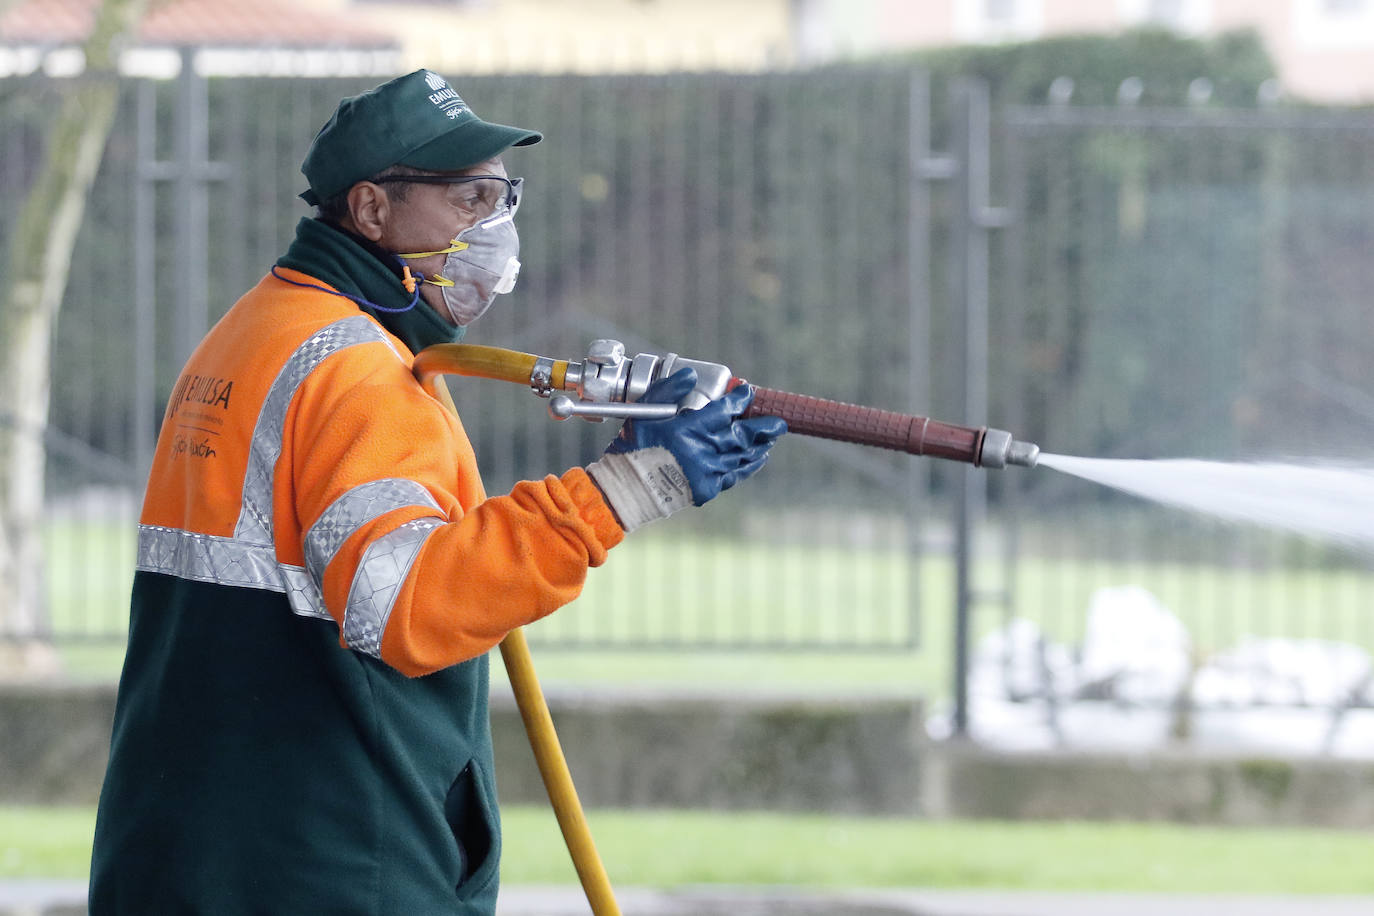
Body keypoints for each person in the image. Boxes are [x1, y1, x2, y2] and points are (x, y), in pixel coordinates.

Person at [88, 69, 786, 916]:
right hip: (328, 862)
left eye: (504, 198)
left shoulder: (257, 330)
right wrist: (629, 487)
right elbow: (408, 605)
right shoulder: (358, 370)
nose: (497, 228)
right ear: (372, 209)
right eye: (470, 199)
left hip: (187, 849)